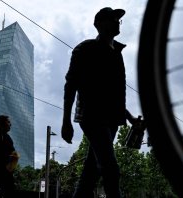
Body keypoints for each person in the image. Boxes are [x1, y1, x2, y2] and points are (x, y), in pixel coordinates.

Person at [61, 7, 137, 198]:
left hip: (112, 121)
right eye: (112, 19)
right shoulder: (85, 49)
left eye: (118, 20)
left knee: (90, 174)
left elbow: (113, 94)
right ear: (99, 24)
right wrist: (66, 121)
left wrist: (131, 118)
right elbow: (71, 85)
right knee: (111, 169)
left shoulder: (117, 53)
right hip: (92, 116)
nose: (117, 22)